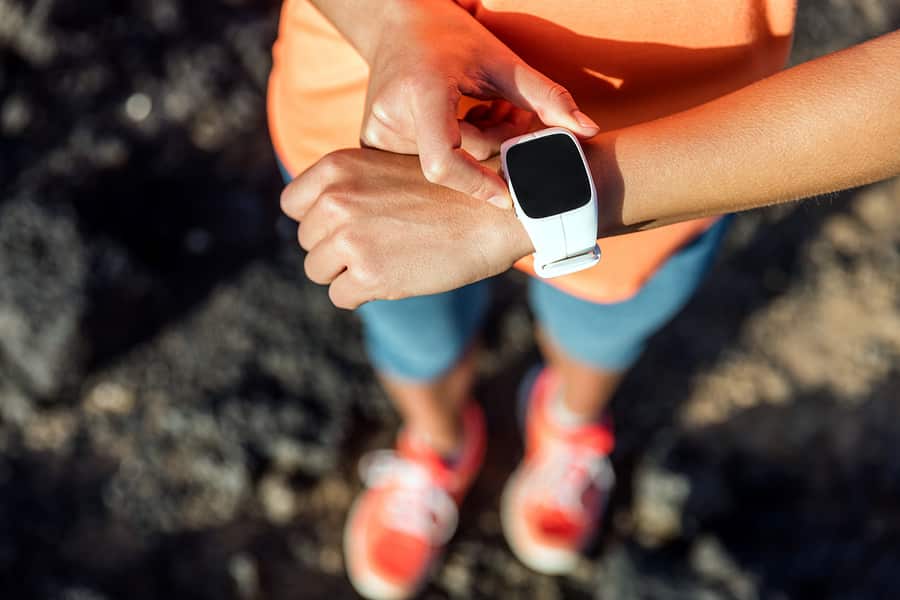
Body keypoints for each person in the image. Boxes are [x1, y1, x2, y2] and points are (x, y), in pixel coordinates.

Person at [272, 1, 899, 597]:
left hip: (669, 160)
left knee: (602, 330)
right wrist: (392, 19)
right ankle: (437, 442)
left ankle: (568, 420)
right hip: (366, 114)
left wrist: (530, 213)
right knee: (412, 333)